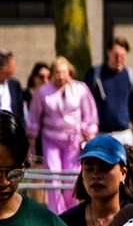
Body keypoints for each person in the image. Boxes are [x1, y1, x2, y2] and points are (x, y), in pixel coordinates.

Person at [28, 58, 99, 208]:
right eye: (57, 73)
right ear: (52, 73)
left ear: (70, 73)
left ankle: (71, 209)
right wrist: (32, 141)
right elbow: (34, 117)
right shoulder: (43, 92)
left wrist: (89, 132)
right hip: (51, 140)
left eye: (63, 73)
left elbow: (90, 114)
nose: (60, 76)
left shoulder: (80, 89)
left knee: (72, 177)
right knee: (53, 176)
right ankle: (56, 212)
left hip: (73, 140)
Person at [62, 134, 130, 226]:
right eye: (89, 168)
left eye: (105, 168)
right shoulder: (65, 224)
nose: (96, 176)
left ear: (123, 173)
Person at [85, 37, 133, 146]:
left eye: (122, 56)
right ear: (108, 52)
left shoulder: (130, 76)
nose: (119, 59)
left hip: (123, 134)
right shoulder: (95, 74)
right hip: (100, 134)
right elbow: (84, 103)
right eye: (116, 55)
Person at [0, 52, 23, 117]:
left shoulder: (15, 85)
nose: (15, 69)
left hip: (11, 124)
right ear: (4, 67)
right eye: (13, 66)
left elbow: (19, 111)